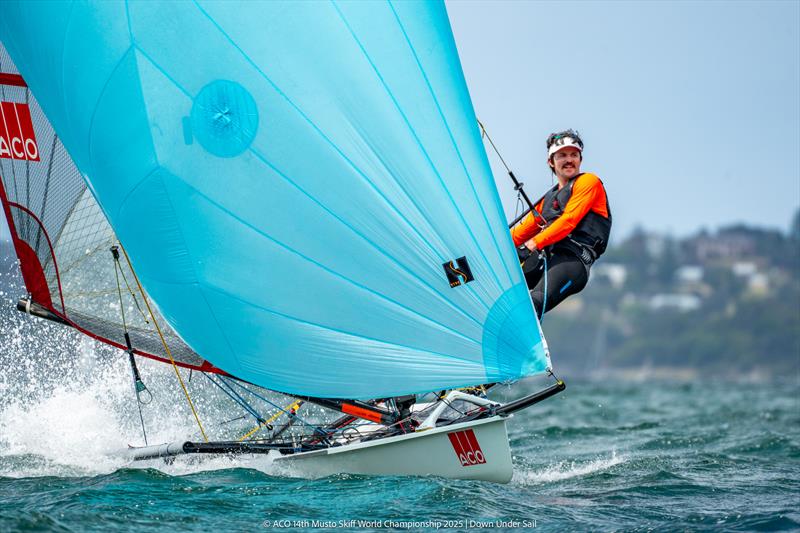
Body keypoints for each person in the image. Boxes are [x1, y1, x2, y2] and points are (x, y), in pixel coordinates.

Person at [511, 130, 611, 316]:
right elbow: (518, 235)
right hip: (546, 259)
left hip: (573, 261)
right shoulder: (547, 199)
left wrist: (530, 245)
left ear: (580, 159)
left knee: (531, 306)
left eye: (574, 155)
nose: (569, 160)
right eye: (562, 155)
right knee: (498, 283)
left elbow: (568, 221)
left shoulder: (589, 182)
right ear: (551, 161)